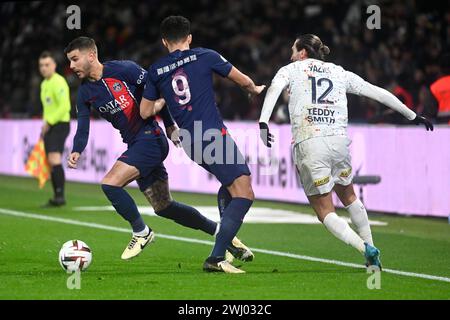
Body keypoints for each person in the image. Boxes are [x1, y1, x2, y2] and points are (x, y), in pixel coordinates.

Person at [64, 36, 252, 262]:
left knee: (110, 184)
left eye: (75, 59)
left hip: (150, 139)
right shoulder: (85, 92)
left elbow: (158, 91)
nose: (71, 66)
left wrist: (170, 124)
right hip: (135, 143)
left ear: (91, 55)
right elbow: (83, 126)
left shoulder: (125, 70)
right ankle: (222, 234)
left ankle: (141, 232)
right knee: (164, 207)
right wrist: (77, 149)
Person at [258, 34, 434, 270]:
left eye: (293, 50)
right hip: (339, 142)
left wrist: (263, 122)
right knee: (349, 196)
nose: (290, 55)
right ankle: (371, 255)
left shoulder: (291, 69)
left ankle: (366, 249)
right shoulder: (340, 72)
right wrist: (412, 115)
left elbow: (273, 90)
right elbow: (377, 92)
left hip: (310, 142)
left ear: (302, 53)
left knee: (324, 210)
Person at [140, 16, 266, 273]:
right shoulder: (205, 55)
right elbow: (243, 81)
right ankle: (217, 256)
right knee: (245, 193)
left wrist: (163, 102)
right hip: (212, 135)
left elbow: (144, 112)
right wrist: (256, 88)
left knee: (230, 187)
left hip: (189, 140)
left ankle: (225, 236)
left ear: (164, 41)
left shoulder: (155, 70)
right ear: (189, 37)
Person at [38, 51, 71, 207]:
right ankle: (57, 195)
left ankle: (60, 196)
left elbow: (65, 106)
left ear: (54, 66)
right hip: (50, 125)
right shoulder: (44, 84)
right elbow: (48, 108)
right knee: (51, 161)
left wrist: (49, 122)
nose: (44, 68)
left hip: (60, 124)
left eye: (47, 65)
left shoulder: (59, 82)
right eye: (41, 65)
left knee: (54, 159)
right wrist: (46, 124)